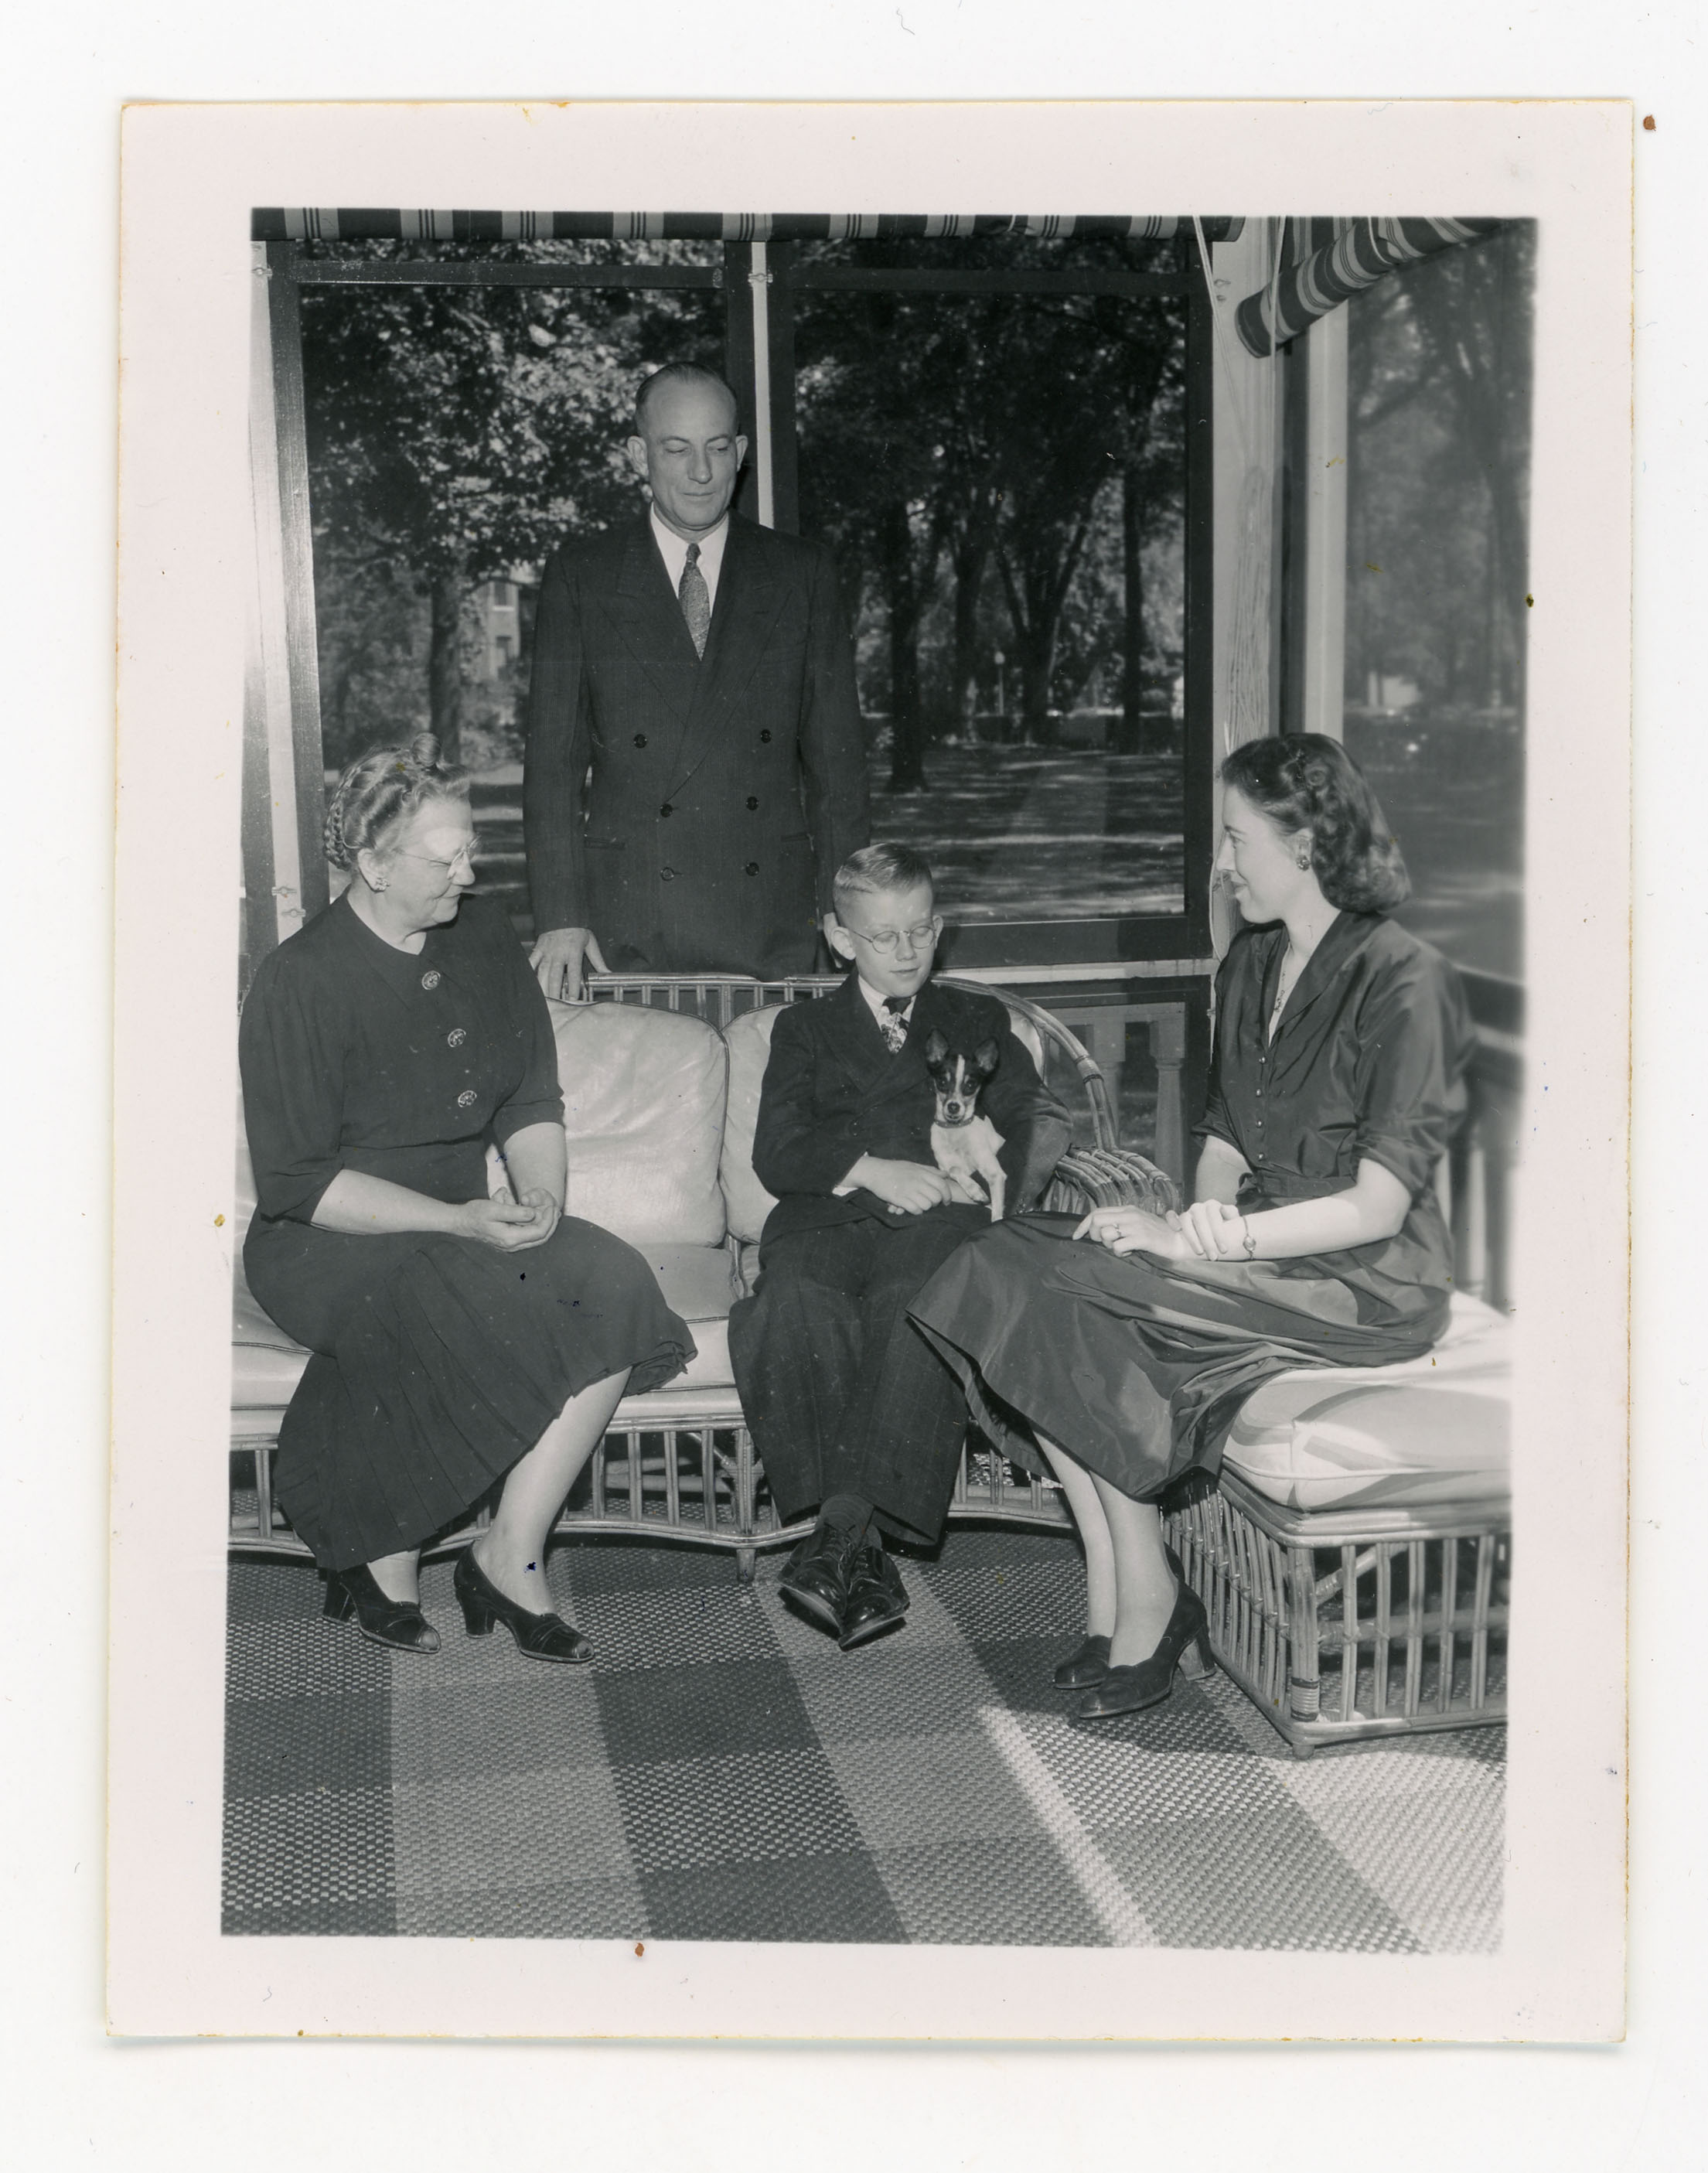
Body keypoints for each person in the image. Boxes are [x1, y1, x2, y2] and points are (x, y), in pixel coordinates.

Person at [910, 734, 1475, 1721]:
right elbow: (1224, 1128)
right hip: (1261, 1246)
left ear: (1305, 841)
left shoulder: (1404, 978)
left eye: (1234, 839)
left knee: (1080, 1298)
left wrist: (1197, 1242)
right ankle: (1123, 1589)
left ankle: (1146, 1598)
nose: (1219, 865)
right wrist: (1194, 1205)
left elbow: (1377, 1206)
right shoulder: (1252, 958)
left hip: (1366, 1278)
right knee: (1008, 1260)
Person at [240, 735, 694, 1661]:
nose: (468, 870)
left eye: (468, 849)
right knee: (459, 1292)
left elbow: (530, 1092)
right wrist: (459, 1221)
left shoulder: (482, 934)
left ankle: (507, 1551)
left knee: (605, 1275)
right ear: (369, 865)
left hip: (463, 1217)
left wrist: (541, 1193)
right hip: (326, 1238)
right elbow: (298, 1182)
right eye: (443, 857)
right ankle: (381, 1547)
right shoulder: (298, 980)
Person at [727, 844, 1073, 1649]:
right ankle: (863, 1552)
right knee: (793, 1300)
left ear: (938, 927)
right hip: (827, 1214)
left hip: (938, 1219)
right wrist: (872, 1166)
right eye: (882, 937)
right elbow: (778, 1151)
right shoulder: (804, 1029)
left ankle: (839, 1538)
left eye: (920, 930)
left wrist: (987, 1169)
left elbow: (1038, 1118)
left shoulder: (976, 1023)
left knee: (915, 1303)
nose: (906, 950)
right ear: (840, 938)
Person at [523, 362, 871, 994]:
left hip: (773, 915)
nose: (701, 473)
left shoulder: (801, 574)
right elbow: (553, 763)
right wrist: (560, 915)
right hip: (629, 915)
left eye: (717, 448)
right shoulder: (582, 575)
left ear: (740, 453)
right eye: (676, 449)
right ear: (638, 454)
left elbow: (836, 768)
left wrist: (847, 904)